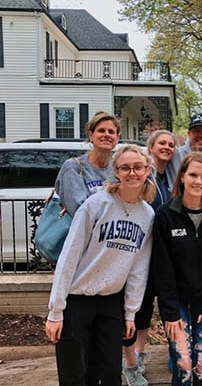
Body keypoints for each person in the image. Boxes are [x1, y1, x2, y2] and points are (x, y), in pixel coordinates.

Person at [45, 144, 155, 386]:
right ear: (115, 172)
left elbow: (138, 269)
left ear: (148, 170)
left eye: (138, 167)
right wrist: (55, 311)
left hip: (110, 302)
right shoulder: (96, 204)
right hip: (76, 300)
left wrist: (130, 313)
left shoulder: (147, 215)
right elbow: (69, 257)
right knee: (75, 375)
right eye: (125, 168)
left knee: (109, 374)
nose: (132, 173)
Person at [153, 152, 202, 385]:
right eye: (193, 175)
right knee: (183, 361)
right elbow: (162, 267)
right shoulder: (166, 215)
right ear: (182, 177)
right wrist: (170, 311)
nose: (198, 181)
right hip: (175, 299)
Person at [122, 130, 177, 386]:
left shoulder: (170, 177)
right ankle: (134, 360)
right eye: (162, 143)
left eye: (171, 144)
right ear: (151, 147)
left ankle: (169, 355)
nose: (167, 147)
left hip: (163, 257)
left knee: (165, 309)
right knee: (139, 310)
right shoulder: (145, 177)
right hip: (138, 256)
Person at [55, 111, 121, 217]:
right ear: (91, 135)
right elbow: (79, 210)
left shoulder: (119, 169)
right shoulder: (74, 167)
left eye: (111, 132)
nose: (106, 135)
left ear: (117, 138)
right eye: (101, 130)